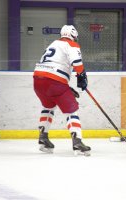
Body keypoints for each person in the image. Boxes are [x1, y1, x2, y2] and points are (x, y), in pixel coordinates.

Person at [33, 25, 90, 156]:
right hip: (54, 82)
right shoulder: (71, 45)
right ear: (73, 36)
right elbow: (77, 62)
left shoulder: (53, 44)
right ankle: (77, 141)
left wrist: (66, 87)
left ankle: (43, 138)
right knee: (72, 110)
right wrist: (82, 76)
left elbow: (52, 66)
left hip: (38, 80)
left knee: (48, 106)